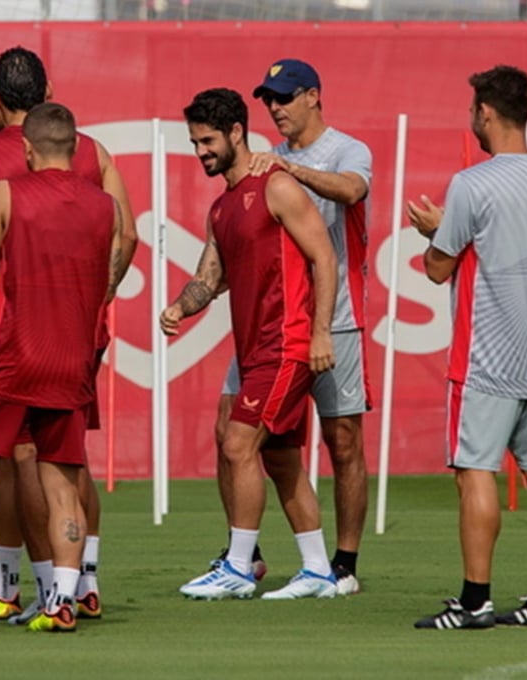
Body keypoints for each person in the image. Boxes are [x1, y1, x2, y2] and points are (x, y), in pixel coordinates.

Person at [0, 46, 136, 632]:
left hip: (17, 337)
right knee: (67, 464)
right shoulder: (94, 154)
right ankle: (77, 587)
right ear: (48, 95)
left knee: (6, 459)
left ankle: (3, 586)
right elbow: (128, 236)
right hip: (81, 335)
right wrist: (96, 294)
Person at [408, 65, 527, 630]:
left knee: (474, 470)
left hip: (486, 355)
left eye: (472, 111)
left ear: (485, 112)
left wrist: (436, 232)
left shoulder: (472, 184)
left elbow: (438, 267)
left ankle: (475, 600)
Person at [203, 58, 372, 594]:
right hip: (270, 325)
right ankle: (244, 553)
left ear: (313, 96)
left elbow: (351, 191)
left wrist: (288, 171)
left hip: (334, 319)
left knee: (342, 441)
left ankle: (343, 563)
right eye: (268, 99)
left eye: (284, 97)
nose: (275, 108)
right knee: (234, 430)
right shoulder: (263, 160)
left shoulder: (345, 150)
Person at [165, 88, 339, 602]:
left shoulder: (277, 187)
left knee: (237, 444)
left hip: (287, 344)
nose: (200, 152)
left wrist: (321, 332)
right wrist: (179, 308)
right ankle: (318, 571)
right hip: (255, 351)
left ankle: (239, 566)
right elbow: (208, 278)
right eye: (195, 143)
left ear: (236, 132)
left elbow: (324, 258)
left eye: (208, 141)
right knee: (281, 461)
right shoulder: (221, 209)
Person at [0, 102, 122, 633]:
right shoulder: (105, 207)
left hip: (17, 355)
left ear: (28, 149)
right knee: (63, 483)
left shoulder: (8, 193)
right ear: (75, 149)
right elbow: (110, 269)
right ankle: (64, 599)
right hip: (73, 357)